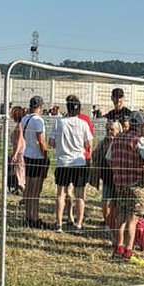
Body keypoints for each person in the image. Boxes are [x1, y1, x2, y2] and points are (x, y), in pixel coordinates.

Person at [107, 111, 144, 263]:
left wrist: (118, 171)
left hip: (120, 183)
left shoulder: (117, 138)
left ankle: (118, 248)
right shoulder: (141, 141)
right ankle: (128, 251)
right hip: (136, 184)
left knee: (120, 216)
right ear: (140, 125)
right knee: (132, 219)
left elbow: (109, 158)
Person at [49, 94, 93, 231]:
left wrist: (62, 146)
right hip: (79, 161)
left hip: (63, 162)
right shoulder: (83, 124)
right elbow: (89, 144)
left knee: (61, 193)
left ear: (67, 108)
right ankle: (78, 224)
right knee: (80, 195)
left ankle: (59, 223)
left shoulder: (59, 123)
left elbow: (51, 142)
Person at [14, 96, 49, 228]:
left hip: (28, 154)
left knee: (28, 188)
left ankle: (28, 215)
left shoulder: (25, 119)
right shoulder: (38, 120)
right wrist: (45, 155)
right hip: (37, 156)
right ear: (40, 107)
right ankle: (34, 217)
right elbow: (41, 140)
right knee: (36, 190)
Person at [6, 105, 27, 196]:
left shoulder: (19, 126)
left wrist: (15, 154)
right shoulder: (20, 125)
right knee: (20, 175)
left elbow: (19, 141)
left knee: (19, 177)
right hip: (19, 152)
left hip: (20, 153)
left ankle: (27, 196)